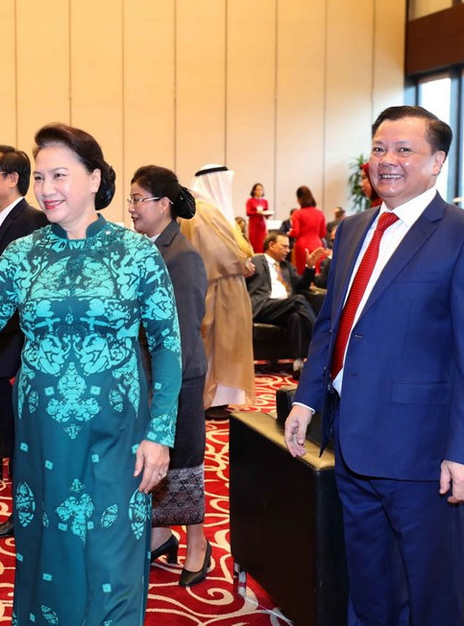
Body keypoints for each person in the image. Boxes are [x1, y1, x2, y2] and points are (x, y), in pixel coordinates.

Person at [0, 123, 181, 624]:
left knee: (112, 561)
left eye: (59, 175)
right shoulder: (23, 255)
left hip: (119, 438)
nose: (46, 189)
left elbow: (168, 347)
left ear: (94, 179)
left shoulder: (136, 254)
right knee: (52, 559)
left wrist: (160, 434)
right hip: (44, 439)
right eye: (40, 177)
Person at [284, 106, 464, 626]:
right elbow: (332, 325)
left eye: (405, 149)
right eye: (380, 148)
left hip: (424, 455)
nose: (387, 159)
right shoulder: (353, 229)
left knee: (430, 593)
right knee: (368, 584)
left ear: (437, 162)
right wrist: (306, 399)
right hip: (352, 441)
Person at [128, 165, 211, 587]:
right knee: (154, 461)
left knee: (185, 462)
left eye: (138, 200)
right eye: (130, 200)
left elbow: (184, 331)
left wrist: (164, 387)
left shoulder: (182, 255)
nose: (131, 208)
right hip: (149, 374)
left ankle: (199, 544)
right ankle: (161, 536)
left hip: (179, 378)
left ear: (163, 205)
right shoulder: (146, 249)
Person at [0, 144, 48, 539]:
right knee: (13, 438)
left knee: (28, 441)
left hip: (19, 357)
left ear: (12, 178)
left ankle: (29, 514)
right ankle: (23, 511)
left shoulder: (34, 223)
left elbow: (31, 300)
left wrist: (15, 357)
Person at [179, 191, 255, 419]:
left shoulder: (214, 211)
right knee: (215, 345)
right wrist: (242, 262)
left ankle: (221, 399)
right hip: (216, 291)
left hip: (228, 290)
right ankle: (210, 400)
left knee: (228, 344)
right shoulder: (202, 212)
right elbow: (217, 254)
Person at [247, 232, 326, 377]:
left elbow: (301, 285)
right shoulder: (256, 261)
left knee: (296, 317)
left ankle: (298, 364)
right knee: (298, 300)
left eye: (288, 247)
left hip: (283, 307)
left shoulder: (287, 266)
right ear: (271, 245)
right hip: (263, 306)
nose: (288, 251)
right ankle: (322, 336)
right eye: (284, 246)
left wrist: (309, 266)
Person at [288, 185, 327, 273]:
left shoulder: (297, 213)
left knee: (302, 271)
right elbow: (323, 233)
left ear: (299, 200)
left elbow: (295, 232)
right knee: (317, 271)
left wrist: (289, 233)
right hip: (317, 244)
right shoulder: (320, 213)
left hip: (302, 246)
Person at [245, 182, 271, 253]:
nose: (260, 191)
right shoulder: (250, 201)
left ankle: (261, 254)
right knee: (253, 240)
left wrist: (267, 214)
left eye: (261, 190)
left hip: (262, 223)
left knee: (262, 241)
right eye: (258, 189)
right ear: (254, 191)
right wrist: (256, 212)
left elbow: (266, 213)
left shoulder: (265, 201)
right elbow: (248, 212)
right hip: (253, 223)